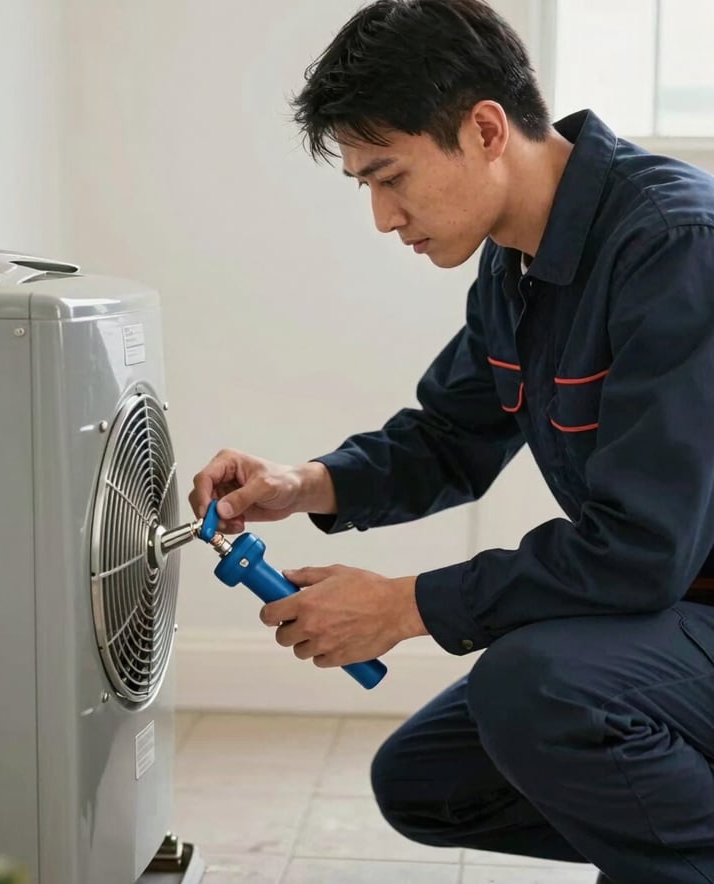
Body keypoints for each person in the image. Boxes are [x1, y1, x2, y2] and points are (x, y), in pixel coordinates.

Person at [189, 1, 714, 881]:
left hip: (680, 595)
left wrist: (403, 607)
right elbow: (448, 437)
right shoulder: (513, 265)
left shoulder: (675, 246)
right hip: (674, 609)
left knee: (539, 689)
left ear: (482, 129)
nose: (384, 218)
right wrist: (303, 483)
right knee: (430, 780)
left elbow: (641, 549)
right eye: (365, 185)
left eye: (390, 176)